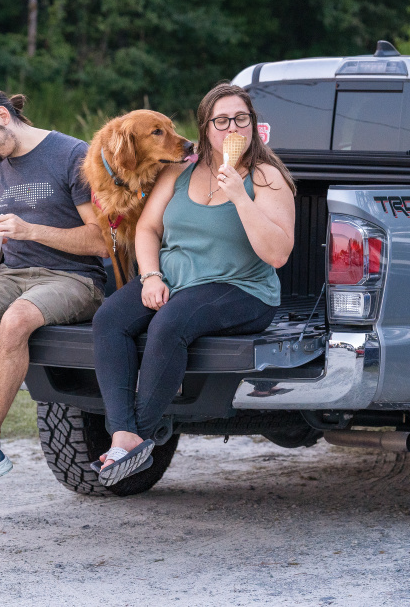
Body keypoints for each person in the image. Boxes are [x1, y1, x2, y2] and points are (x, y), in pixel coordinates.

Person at [90, 83, 296, 486]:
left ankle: (137, 438)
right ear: (205, 128)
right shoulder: (178, 172)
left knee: (171, 323)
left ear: (254, 125)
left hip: (241, 287)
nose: (232, 128)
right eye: (221, 121)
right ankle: (122, 433)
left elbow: (277, 254)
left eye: (241, 119)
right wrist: (149, 276)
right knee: (109, 319)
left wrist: (240, 196)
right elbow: (148, 228)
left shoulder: (267, 177)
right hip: (175, 278)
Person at [0, 83, 108, 503]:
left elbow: (102, 242)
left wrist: (32, 230)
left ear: (2, 115)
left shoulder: (72, 155)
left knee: (16, 320)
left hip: (74, 278)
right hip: (14, 273)